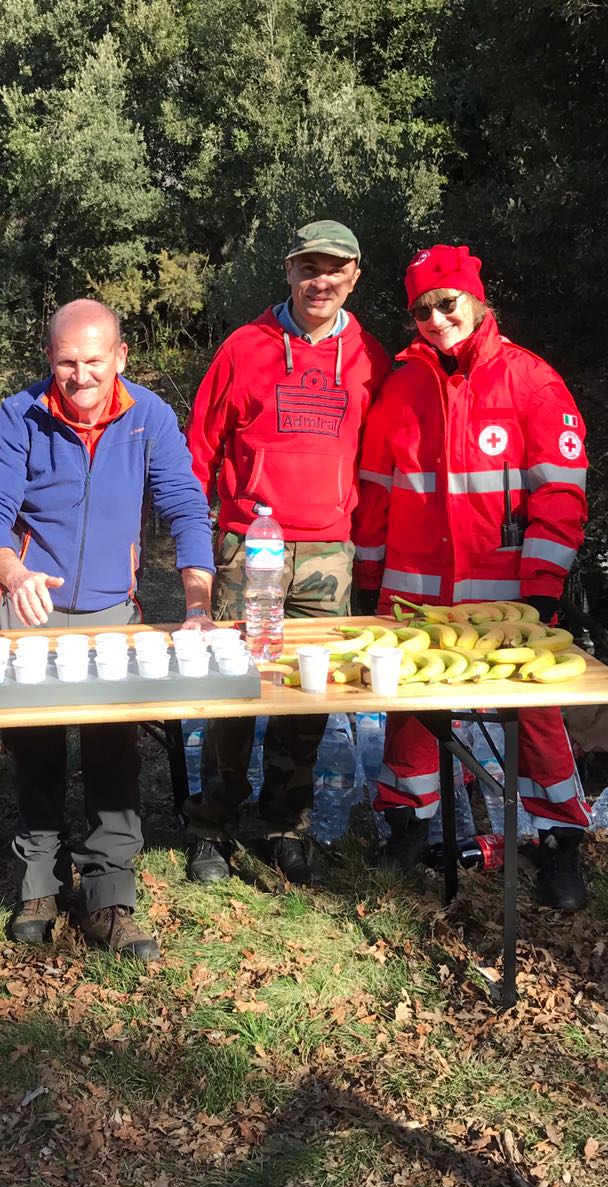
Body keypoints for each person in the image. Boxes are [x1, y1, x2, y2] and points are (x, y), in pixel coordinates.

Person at [0, 298, 215, 960]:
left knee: (113, 755)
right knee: (36, 751)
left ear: (121, 358)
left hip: (112, 616)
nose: (80, 377)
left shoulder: (149, 418)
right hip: (29, 612)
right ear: (49, 357)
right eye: (67, 362)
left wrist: (197, 604)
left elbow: (186, 507)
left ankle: (111, 898)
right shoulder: (20, 414)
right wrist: (12, 572)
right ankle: (39, 885)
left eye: (94, 363)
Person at [352, 245, 591, 910]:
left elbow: (560, 497)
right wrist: (369, 585)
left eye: (446, 302)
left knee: (533, 720)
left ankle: (560, 846)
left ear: (477, 300)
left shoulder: (531, 382)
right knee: (409, 718)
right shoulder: (398, 388)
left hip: (506, 604)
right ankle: (407, 827)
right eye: (421, 309)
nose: (434, 317)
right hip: (413, 599)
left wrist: (540, 592)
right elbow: (375, 497)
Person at [182, 220, 392, 885]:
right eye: (308, 268)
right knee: (234, 687)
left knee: (308, 694)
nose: (319, 281)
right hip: (249, 544)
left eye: (334, 269)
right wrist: (197, 535)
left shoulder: (370, 359)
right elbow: (199, 451)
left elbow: (382, 461)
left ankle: (285, 824)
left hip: (330, 549)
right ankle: (213, 824)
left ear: (355, 275)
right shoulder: (246, 348)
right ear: (289, 271)